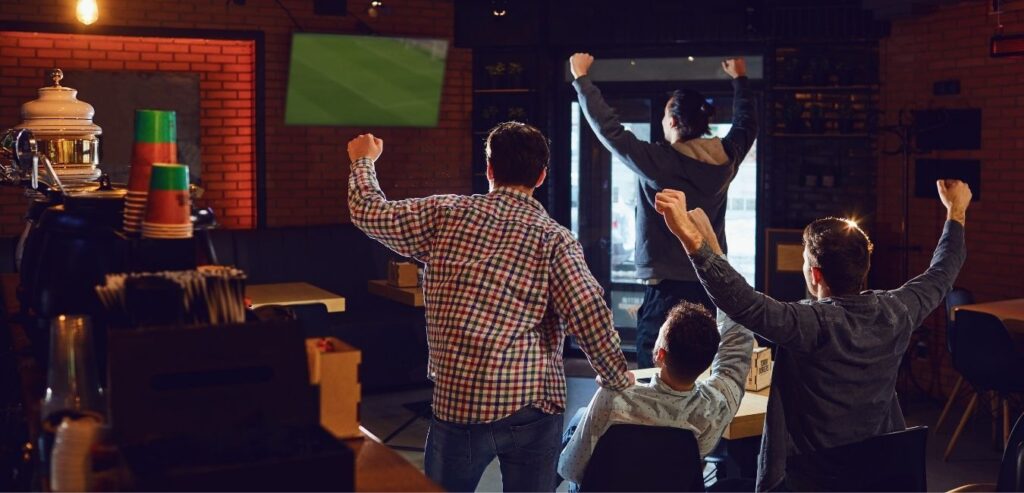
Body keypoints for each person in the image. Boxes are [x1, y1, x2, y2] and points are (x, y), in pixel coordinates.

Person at [347, 123, 634, 492]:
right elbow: (588, 314)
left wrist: (363, 161)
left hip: (458, 402)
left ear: (490, 170)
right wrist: (615, 375)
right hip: (531, 403)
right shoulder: (553, 239)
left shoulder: (444, 215)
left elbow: (368, 212)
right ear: (542, 176)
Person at [654, 179, 972, 491]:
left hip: (807, 481)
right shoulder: (897, 312)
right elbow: (943, 272)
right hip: (876, 475)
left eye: (805, 261)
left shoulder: (809, 324)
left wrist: (690, 237)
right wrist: (955, 212)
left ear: (815, 274)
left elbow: (740, 301)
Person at [569, 52, 758, 369]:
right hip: (711, 283)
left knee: (655, 373)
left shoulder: (658, 161)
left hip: (665, 290)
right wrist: (740, 79)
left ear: (671, 122)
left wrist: (581, 79)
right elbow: (746, 124)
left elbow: (610, 130)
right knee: (698, 372)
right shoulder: (727, 157)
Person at [558, 300, 755, 486]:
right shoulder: (714, 408)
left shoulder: (616, 399)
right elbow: (734, 357)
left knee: (580, 418)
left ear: (660, 354)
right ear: (708, 362)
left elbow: (571, 470)